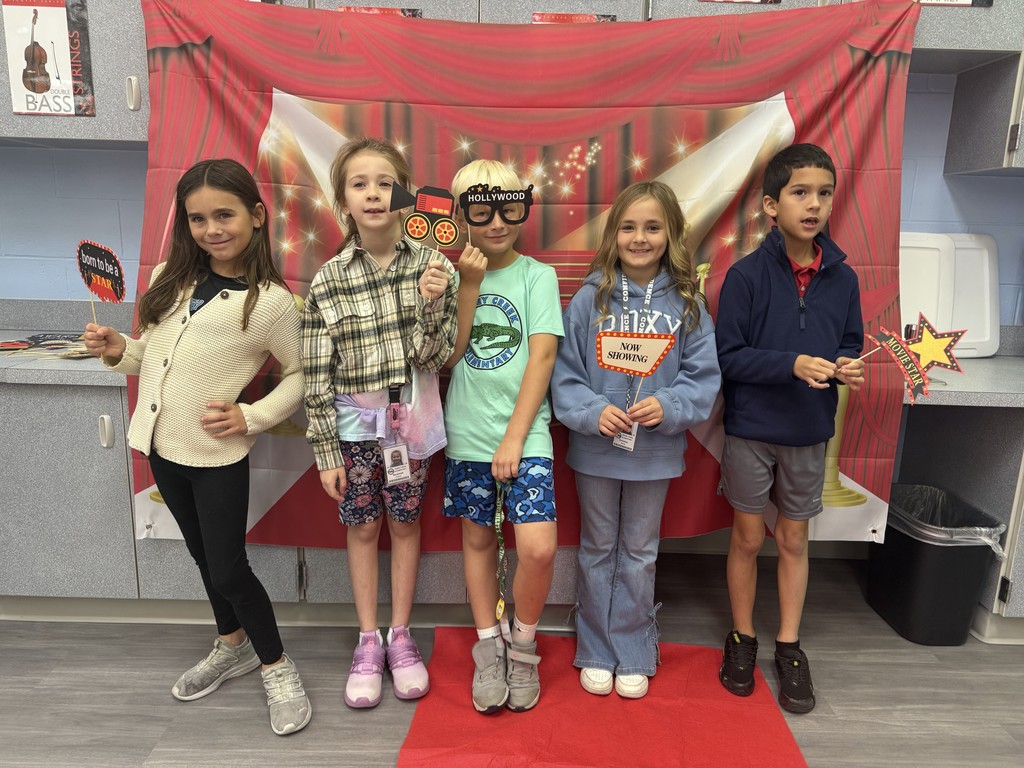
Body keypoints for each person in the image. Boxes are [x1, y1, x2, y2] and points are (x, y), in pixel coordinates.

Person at [82, 158, 312, 736]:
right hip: (163, 447)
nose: (212, 229)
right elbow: (150, 357)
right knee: (203, 559)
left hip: (215, 457)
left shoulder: (271, 303)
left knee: (231, 568)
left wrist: (252, 414)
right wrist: (118, 348)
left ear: (256, 216)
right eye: (197, 218)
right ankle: (229, 642)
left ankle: (277, 666)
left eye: (224, 215)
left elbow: (304, 373)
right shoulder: (170, 277)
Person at [302, 137, 457, 710]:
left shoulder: (431, 264)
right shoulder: (329, 280)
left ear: (405, 192)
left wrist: (433, 301)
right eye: (359, 183)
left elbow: (431, 358)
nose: (373, 193)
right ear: (343, 199)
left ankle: (401, 635)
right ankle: (367, 638)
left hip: (409, 423)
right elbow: (317, 373)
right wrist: (325, 451)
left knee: (405, 525)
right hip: (353, 430)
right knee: (363, 526)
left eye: (385, 182)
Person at [552, 180, 720, 700]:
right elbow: (565, 373)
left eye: (652, 227)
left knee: (640, 551)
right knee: (598, 547)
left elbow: (702, 377)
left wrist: (668, 406)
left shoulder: (688, 304)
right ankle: (597, 648)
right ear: (613, 234)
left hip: (655, 453)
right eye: (629, 227)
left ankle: (634, 647)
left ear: (671, 235)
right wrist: (591, 411)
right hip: (597, 451)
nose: (640, 238)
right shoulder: (588, 299)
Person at [715, 143, 865, 714]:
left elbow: (848, 342)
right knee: (748, 538)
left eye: (824, 193)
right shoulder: (745, 277)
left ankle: (789, 645)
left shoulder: (844, 279)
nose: (815, 204)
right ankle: (742, 637)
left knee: (795, 539)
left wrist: (846, 365)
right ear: (770, 206)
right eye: (801, 192)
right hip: (751, 429)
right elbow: (728, 358)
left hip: (809, 430)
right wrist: (790, 364)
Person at [442, 160, 563, 714]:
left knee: (536, 547)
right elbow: (450, 351)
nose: (496, 223)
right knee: (478, 540)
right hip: (467, 431)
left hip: (526, 432)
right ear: (460, 213)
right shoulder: (444, 276)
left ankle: (523, 641)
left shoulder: (538, 275)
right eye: (481, 211)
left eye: (509, 210)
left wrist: (515, 437)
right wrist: (467, 284)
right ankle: (487, 644)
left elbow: (542, 355)